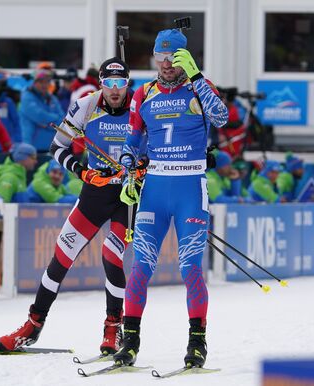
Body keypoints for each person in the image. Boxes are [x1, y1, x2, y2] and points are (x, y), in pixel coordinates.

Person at [0, 57, 139, 356]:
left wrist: (140, 169)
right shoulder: (85, 105)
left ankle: (113, 327)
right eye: (109, 83)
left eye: (121, 83)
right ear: (101, 83)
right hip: (94, 194)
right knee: (61, 257)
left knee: (111, 256)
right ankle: (32, 326)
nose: (115, 90)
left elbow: (153, 152)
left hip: (125, 198)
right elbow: (56, 148)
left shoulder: (139, 108)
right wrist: (82, 171)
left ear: (128, 84)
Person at [113, 29, 228, 369]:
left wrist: (195, 74)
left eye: (172, 57)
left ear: (184, 58)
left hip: (190, 186)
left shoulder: (198, 87)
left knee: (190, 267)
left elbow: (221, 117)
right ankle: (129, 340)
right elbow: (133, 139)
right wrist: (128, 170)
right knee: (140, 267)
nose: (164, 64)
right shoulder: (144, 93)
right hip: (155, 189)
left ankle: (197, 342)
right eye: (159, 57)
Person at [19, 70, 65, 152]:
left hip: (52, 147)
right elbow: (39, 116)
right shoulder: (27, 97)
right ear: (34, 82)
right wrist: (54, 122)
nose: (44, 85)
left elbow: (63, 120)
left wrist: (46, 124)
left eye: (47, 82)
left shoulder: (51, 98)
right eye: (41, 82)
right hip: (32, 148)